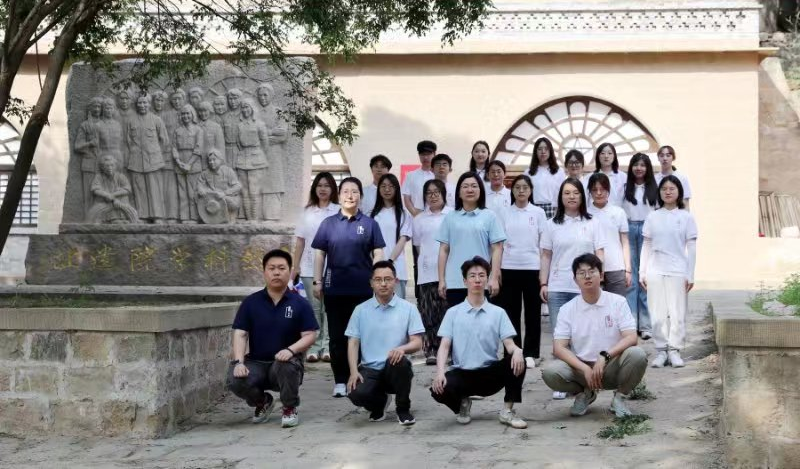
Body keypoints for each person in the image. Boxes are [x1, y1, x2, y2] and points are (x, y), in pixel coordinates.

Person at [541, 254, 647, 418]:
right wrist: (584, 368)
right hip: (582, 371)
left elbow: (631, 337)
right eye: (581, 273)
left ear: (602, 275)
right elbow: (559, 348)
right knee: (550, 372)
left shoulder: (617, 302)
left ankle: (619, 398)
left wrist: (605, 356)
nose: (587, 276)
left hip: (611, 366)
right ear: (575, 279)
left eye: (592, 271)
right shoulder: (567, 309)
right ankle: (585, 394)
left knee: (637, 354)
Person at [430, 256, 528, 429]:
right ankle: (462, 404)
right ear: (465, 281)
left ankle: (507, 410)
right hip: (462, 373)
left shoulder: (498, 312)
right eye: (472, 276)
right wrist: (439, 372)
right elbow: (444, 346)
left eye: (482, 275)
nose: (477, 280)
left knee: (518, 361)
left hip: (489, 374)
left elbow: (509, 345)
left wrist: (518, 351)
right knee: (438, 389)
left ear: (487, 279)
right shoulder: (453, 313)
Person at [226, 249, 319, 428]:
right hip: (256, 363)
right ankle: (263, 402)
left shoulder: (300, 303)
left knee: (286, 364)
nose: (276, 272)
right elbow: (240, 333)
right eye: (272, 268)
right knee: (234, 378)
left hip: (285, 364)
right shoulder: (251, 303)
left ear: (290, 271)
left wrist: (291, 350)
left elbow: (310, 335)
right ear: (264, 272)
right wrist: (239, 362)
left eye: (282, 268)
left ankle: (289, 407)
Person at [312, 177, 385, 398]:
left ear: (360, 196)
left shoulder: (370, 224)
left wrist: (377, 279)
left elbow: (378, 252)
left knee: (362, 335)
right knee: (337, 337)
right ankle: (340, 380)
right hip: (335, 289)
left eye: (354, 191)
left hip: (363, 290)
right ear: (339, 195)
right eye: (345, 191)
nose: (350, 195)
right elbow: (319, 254)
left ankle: (361, 376)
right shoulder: (328, 224)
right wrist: (317, 281)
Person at [540, 178, 606, 399]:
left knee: (583, 336)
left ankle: (586, 381)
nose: (571, 197)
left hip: (584, 289)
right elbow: (546, 255)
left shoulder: (593, 222)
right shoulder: (551, 224)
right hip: (559, 287)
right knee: (561, 337)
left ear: (582, 196)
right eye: (567, 193)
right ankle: (563, 381)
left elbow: (599, 253)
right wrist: (543, 283)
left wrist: (599, 279)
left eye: (575, 192)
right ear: (561, 197)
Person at [346, 261, 425, 425]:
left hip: (395, 366)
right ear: (371, 283)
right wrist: (353, 371)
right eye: (378, 279)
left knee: (401, 363)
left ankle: (403, 409)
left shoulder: (408, 309)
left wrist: (402, 349)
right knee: (355, 393)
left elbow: (417, 343)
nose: (383, 284)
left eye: (388, 279)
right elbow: (353, 343)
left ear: (395, 281)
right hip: (370, 368)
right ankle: (379, 403)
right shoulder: (360, 310)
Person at [641, 176, 698, 368]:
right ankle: (661, 350)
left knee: (677, 312)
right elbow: (646, 244)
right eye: (664, 188)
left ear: (679, 192)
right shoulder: (653, 216)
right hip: (655, 269)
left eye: (672, 188)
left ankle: (674, 350)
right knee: (657, 313)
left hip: (678, 270)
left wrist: (690, 274)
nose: (667, 192)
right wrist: (642, 271)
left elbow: (691, 247)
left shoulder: (686, 217)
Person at [497, 174, 547, 369]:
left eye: (525, 187)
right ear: (512, 190)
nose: (521, 191)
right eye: (517, 187)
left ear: (530, 190)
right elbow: (499, 244)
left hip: (532, 267)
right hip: (509, 267)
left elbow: (543, 245)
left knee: (533, 313)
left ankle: (532, 353)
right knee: (511, 313)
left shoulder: (538, 212)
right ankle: (512, 351)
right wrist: (496, 271)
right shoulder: (504, 212)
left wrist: (543, 274)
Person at [436, 172, 506, 308]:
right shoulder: (450, 217)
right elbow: (443, 250)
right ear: (459, 192)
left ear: (480, 190)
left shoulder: (489, 216)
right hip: (455, 281)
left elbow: (497, 249)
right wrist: (441, 280)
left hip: (481, 281)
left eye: (474, 186)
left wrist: (494, 277)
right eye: (465, 186)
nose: (470, 190)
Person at [292, 172, 339, 362]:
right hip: (309, 267)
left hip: (332, 268)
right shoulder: (307, 212)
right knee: (313, 307)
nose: (323, 189)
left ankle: (327, 345)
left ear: (333, 189)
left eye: (327, 185)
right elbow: (300, 241)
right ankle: (313, 345)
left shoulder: (338, 211)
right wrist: (295, 267)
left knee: (329, 308)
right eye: (319, 185)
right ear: (314, 188)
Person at [412, 179, 452, 365]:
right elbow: (418, 246)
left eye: (436, 192)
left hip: (449, 272)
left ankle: (448, 349)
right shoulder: (419, 219)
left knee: (447, 311)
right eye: (429, 193)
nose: (433, 196)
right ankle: (431, 350)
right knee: (428, 312)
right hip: (426, 272)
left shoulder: (452, 215)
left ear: (443, 194)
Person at [622, 153, 658, 339]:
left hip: (648, 230)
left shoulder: (654, 188)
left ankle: (645, 325)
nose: (639, 168)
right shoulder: (624, 187)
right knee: (630, 278)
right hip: (628, 229)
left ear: (648, 168)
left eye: (643, 165)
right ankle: (630, 324)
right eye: (636, 164)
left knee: (645, 276)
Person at [587, 173, 631, 297]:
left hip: (616, 267)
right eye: (594, 190)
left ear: (608, 190)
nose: (599, 193)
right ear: (590, 192)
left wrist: (628, 270)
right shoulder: (585, 213)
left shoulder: (618, 212)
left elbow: (625, 242)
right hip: (591, 268)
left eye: (602, 189)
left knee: (617, 304)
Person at [370, 174, 413, 299]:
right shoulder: (372, 215)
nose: (387, 189)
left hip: (397, 268)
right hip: (376, 268)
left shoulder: (404, 214)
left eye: (391, 186)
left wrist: (389, 261)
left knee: (397, 306)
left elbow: (403, 239)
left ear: (396, 189)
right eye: (383, 186)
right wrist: (377, 264)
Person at [196, 149, 242, 223]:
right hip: (211, 200)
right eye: (210, 160)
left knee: (231, 203)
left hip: (226, 198)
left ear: (220, 160)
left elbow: (238, 186)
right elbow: (200, 184)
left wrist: (225, 193)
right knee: (198, 197)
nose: (211, 162)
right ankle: (209, 218)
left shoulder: (228, 171)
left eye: (214, 160)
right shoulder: (205, 173)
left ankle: (230, 217)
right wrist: (201, 189)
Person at [528, 137, 564, 218]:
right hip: (534, 208)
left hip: (554, 209)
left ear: (550, 151)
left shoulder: (559, 171)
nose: (543, 151)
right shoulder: (529, 172)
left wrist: (558, 210)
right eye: (540, 149)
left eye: (546, 149)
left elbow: (561, 192)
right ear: (535, 151)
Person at [401, 140, 436, 217]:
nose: (425, 157)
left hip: (436, 217)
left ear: (434, 154)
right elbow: (407, 198)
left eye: (428, 154)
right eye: (422, 154)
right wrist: (416, 215)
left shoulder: (438, 176)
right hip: (415, 217)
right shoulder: (410, 175)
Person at [655, 145, 692, 210]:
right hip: (659, 213)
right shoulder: (654, 179)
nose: (665, 158)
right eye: (662, 155)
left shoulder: (682, 177)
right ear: (658, 158)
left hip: (678, 213)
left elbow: (686, 203)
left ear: (673, 158)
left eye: (668, 155)